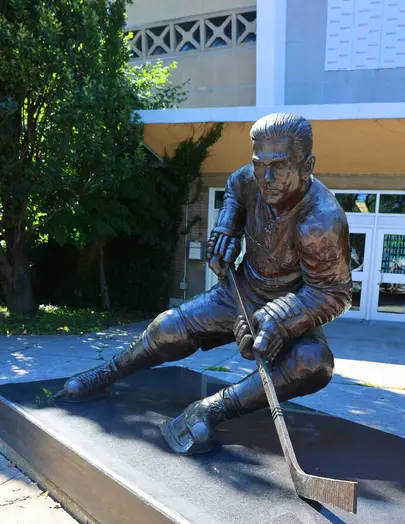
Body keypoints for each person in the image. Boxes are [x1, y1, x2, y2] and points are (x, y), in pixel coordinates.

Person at [56, 113, 352, 454]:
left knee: (313, 364)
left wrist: (282, 318)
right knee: (166, 328)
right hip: (238, 293)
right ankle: (105, 373)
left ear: (307, 163)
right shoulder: (248, 180)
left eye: (280, 165)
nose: (267, 177)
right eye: (260, 163)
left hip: (290, 307)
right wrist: (228, 226)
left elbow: (333, 293)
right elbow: (236, 192)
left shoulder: (321, 221)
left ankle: (212, 409)